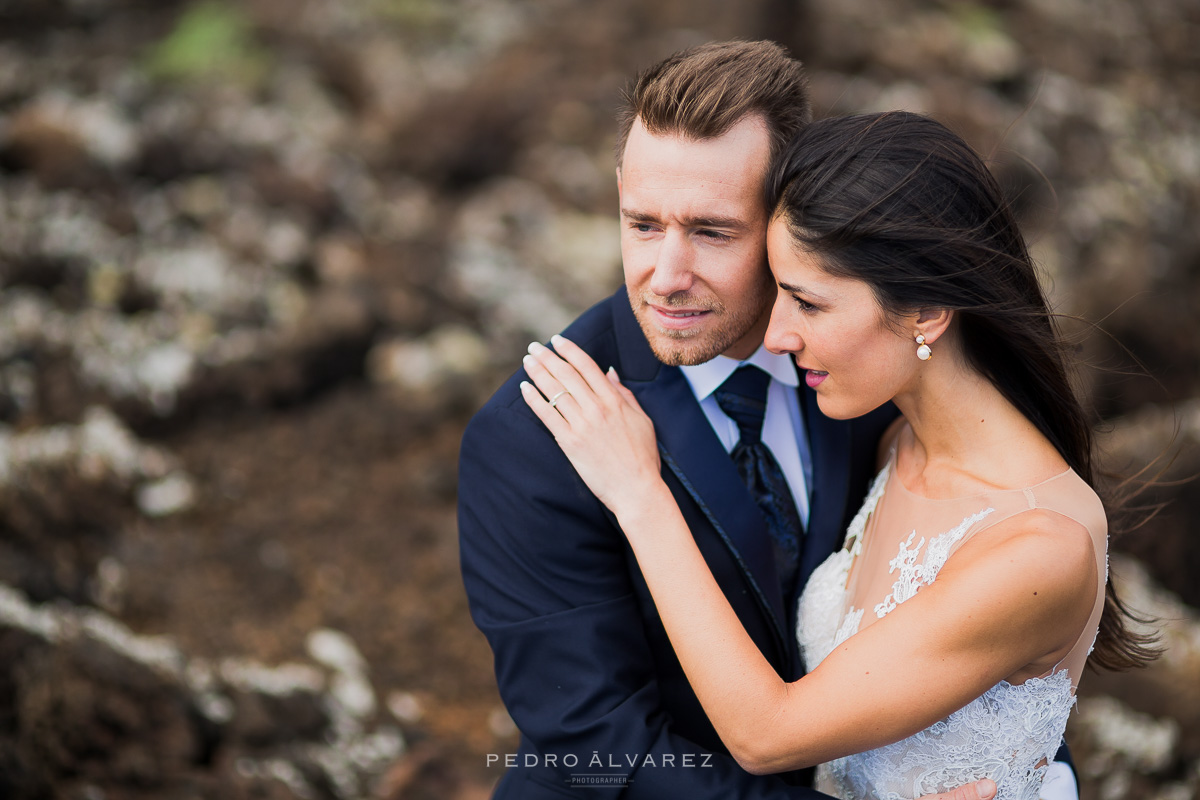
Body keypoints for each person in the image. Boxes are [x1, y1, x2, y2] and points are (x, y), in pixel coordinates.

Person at [459, 41, 1059, 799]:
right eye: (643, 223)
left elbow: (977, 621)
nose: (667, 277)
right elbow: (600, 746)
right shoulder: (532, 436)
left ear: (786, 219)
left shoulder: (864, 368)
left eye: (712, 232)